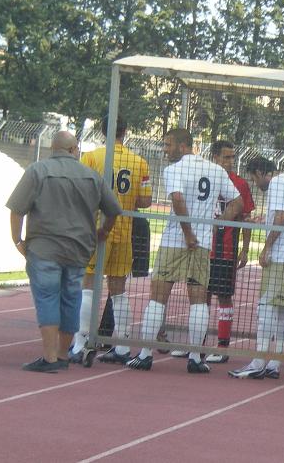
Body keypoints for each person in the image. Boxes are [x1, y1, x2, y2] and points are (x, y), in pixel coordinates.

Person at [125, 128, 242, 374]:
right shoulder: (216, 170)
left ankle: (146, 353)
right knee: (198, 299)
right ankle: (196, 357)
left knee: (158, 295)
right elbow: (237, 201)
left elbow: (178, 200)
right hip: (202, 244)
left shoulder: (174, 170)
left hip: (175, 240)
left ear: (182, 145)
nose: (165, 150)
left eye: (168, 145)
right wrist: (218, 225)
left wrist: (188, 233)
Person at [7, 131, 122, 372]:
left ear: (54, 148)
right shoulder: (92, 176)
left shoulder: (38, 171)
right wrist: (103, 231)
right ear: (74, 149)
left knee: (47, 297)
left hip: (44, 247)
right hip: (79, 248)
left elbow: (17, 209)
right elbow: (113, 209)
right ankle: (62, 354)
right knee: (71, 298)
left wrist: (18, 240)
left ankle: (48, 358)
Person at [68, 115, 152, 365]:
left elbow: (80, 191)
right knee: (119, 290)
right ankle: (124, 346)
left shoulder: (92, 157)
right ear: (125, 131)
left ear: (102, 131)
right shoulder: (139, 162)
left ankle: (81, 343)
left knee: (88, 285)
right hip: (123, 230)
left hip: (96, 229)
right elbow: (146, 201)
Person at [169, 141, 255, 364]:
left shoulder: (240, 184)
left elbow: (245, 219)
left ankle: (223, 346)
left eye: (232, 157)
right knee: (200, 296)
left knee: (224, 296)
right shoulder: (205, 175)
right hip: (203, 247)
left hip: (225, 249)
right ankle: (197, 345)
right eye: (226, 157)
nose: (230, 161)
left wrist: (245, 249)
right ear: (215, 157)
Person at [229, 156, 284, 379]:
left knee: (265, 309)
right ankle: (274, 362)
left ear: (261, 172)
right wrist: (264, 220)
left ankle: (258, 361)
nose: (255, 183)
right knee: (282, 311)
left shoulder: (278, 184)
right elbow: (282, 217)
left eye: (254, 178)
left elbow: (282, 217)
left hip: (281, 256)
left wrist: (266, 247)